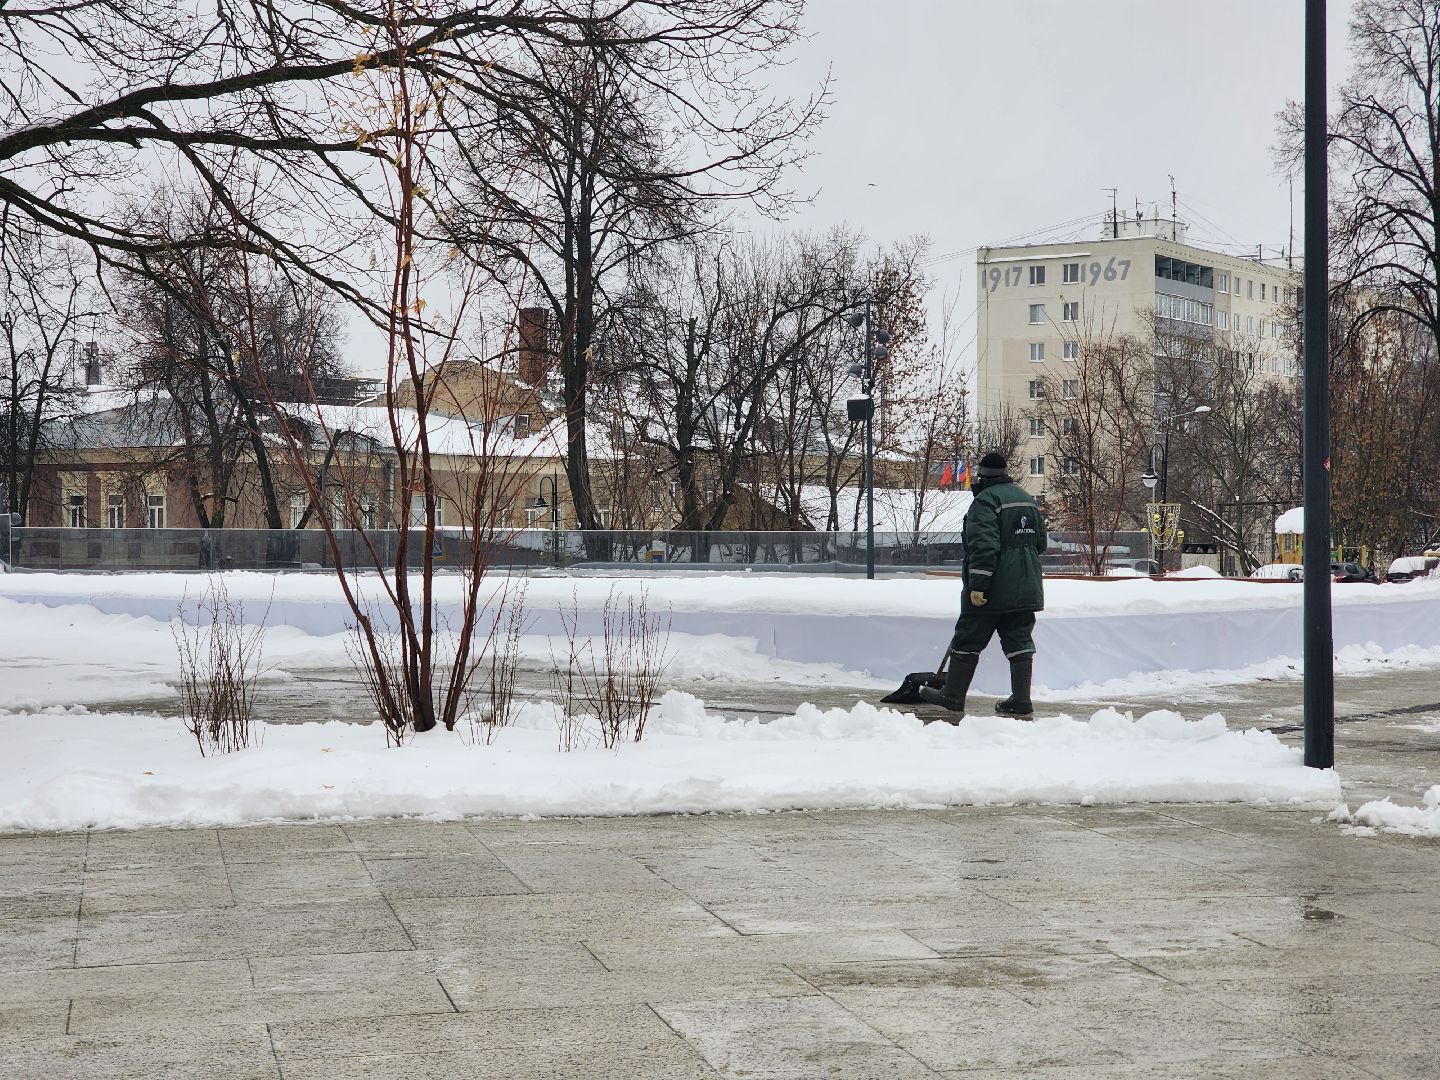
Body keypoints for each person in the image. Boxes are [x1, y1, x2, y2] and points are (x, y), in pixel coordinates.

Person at [920, 452, 1047, 718]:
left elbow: (984, 547)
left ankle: (953, 696)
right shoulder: (1027, 499)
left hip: (993, 588)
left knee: (968, 636)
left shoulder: (985, 502)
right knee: (1019, 639)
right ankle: (1021, 700)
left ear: (982, 476)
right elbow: (1041, 544)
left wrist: (979, 585)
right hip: (1027, 585)